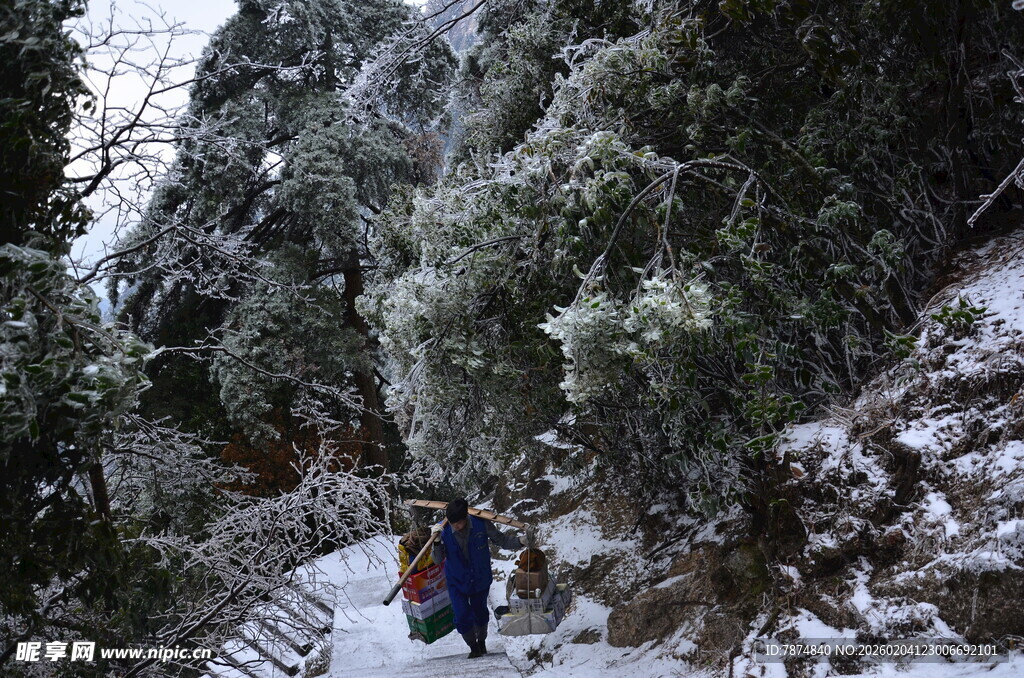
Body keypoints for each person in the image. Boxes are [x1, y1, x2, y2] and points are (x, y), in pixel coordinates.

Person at [430, 498, 533, 659]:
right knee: (462, 615)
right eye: (452, 523)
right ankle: (473, 646)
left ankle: (482, 641)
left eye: (458, 523)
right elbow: (437, 559)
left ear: (466, 518)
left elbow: (502, 540)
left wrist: (521, 541)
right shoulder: (442, 530)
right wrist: (436, 542)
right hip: (456, 581)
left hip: (480, 578)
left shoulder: (480, 524)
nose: (455, 526)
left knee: (480, 613)